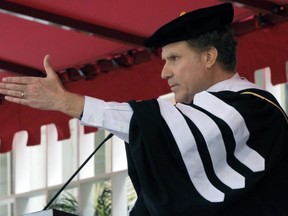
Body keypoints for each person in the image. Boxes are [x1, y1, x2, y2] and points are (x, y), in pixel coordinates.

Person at [0, 3, 288, 216]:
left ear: (209, 57)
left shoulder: (255, 110)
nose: (164, 73)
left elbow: (163, 126)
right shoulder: (203, 117)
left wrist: (68, 102)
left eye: (174, 58)